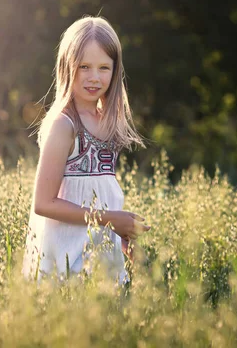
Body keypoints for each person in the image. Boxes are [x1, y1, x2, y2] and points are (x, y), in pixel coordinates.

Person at [22, 15, 150, 286]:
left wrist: (122, 236)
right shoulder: (64, 125)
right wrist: (111, 220)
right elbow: (43, 203)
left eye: (104, 67)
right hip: (66, 258)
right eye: (84, 67)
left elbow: (101, 194)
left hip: (100, 259)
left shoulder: (108, 123)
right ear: (67, 67)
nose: (94, 77)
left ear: (116, 70)